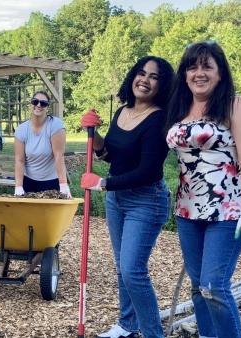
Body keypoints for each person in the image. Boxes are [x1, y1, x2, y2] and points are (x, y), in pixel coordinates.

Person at [165, 41, 241, 338]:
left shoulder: (235, 104)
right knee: (198, 288)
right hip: (187, 210)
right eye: (192, 67)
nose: (199, 73)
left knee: (213, 286)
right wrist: (105, 147)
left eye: (207, 66)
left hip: (229, 211)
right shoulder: (179, 106)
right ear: (184, 74)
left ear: (220, 73)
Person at [80, 56, 175, 338]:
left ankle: (152, 334)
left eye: (154, 77)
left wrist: (102, 184)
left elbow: (147, 171)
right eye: (141, 73)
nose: (144, 80)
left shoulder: (160, 119)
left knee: (133, 270)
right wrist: (94, 135)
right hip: (117, 200)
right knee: (123, 267)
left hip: (146, 200)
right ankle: (127, 325)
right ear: (133, 76)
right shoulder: (122, 111)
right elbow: (110, 155)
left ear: (162, 85)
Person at [14, 90, 71, 198]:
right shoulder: (21, 130)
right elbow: (19, 160)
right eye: (35, 102)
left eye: (43, 103)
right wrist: (18, 186)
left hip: (51, 181)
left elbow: (59, 155)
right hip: (29, 181)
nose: (38, 105)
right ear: (31, 105)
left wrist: (63, 185)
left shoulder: (55, 125)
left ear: (47, 108)